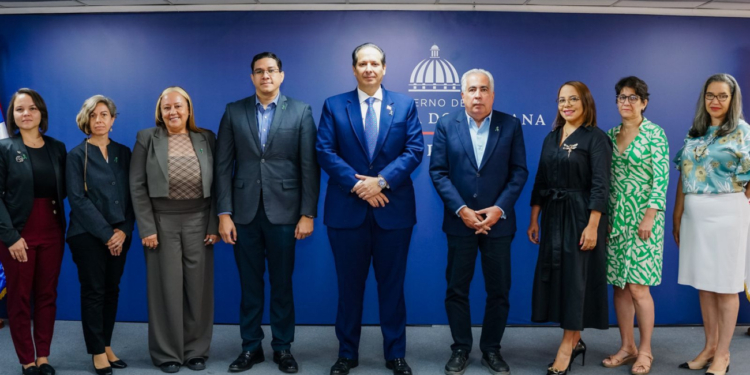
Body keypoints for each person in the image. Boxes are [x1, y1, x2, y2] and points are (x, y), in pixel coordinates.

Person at [316, 43, 424, 375]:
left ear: (384, 68)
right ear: (353, 69)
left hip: (393, 211)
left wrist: (382, 181)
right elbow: (324, 150)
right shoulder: (334, 106)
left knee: (392, 287)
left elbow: (414, 149)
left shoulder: (404, 105)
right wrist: (360, 185)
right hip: (347, 212)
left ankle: (396, 355)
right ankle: (347, 353)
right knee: (349, 288)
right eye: (362, 64)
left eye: (375, 63)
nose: (368, 69)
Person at [215, 52, 320, 374]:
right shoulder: (234, 111)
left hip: (286, 214)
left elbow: (309, 166)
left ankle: (283, 348)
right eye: (259, 71)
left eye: (271, 71)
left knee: (282, 284)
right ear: (252, 77)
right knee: (249, 285)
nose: (265, 76)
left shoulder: (301, 111)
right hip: (243, 213)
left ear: (281, 75)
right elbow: (222, 166)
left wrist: (308, 213)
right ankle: (250, 348)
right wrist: (224, 213)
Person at [429, 69, 527, 375]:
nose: (478, 95)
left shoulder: (510, 125)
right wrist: (462, 209)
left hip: (498, 224)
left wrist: (498, 209)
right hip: (461, 223)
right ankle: (460, 348)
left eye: (484, 89)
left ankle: (491, 350)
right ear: (462, 95)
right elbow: (439, 172)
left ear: (492, 95)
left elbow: (519, 172)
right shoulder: (446, 124)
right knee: (457, 289)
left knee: (499, 290)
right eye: (472, 90)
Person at [130, 86, 220, 373]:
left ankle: (195, 350)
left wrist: (213, 223)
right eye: (166, 107)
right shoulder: (147, 138)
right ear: (160, 111)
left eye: (178, 106)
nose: (173, 112)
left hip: (199, 221)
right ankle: (167, 352)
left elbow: (219, 184)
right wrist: (146, 228)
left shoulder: (206, 137)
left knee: (198, 289)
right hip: (160, 222)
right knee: (165, 289)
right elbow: (137, 185)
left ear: (189, 109)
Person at [527, 81, 612, 375]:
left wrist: (592, 225)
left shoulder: (596, 138)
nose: (567, 105)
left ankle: (567, 346)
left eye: (573, 99)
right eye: (562, 99)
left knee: (577, 282)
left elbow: (601, 185)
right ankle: (575, 342)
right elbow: (540, 180)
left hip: (582, 217)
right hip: (553, 216)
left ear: (585, 102)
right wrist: (534, 217)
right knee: (562, 281)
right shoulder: (551, 138)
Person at [672, 73, 750, 375]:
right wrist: (678, 214)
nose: (715, 101)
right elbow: (684, 175)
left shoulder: (743, 132)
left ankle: (723, 354)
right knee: (705, 284)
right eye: (710, 95)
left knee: (727, 285)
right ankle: (709, 347)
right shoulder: (696, 133)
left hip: (728, 213)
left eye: (722, 96)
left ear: (733, 100)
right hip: (695, 214)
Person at [601, 77, 668, 375]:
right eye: (620, 97)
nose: (625, 103)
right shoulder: (610, 134)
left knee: (639, 287)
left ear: (644, 102)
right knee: (619, 286)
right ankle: (627, 346)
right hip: (616, 220)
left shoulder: (655, 134)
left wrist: (650, 215)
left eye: (632, 97)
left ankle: (645, 351)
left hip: (644, 221)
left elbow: (661, 178)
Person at [0, 88, 67, 375]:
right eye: (19, 109)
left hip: (52, 230)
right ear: (12, 116)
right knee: (19, 297)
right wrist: (10, 235)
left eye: (31, 108)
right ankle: (27, 360)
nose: (25, 114)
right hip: (17, 234)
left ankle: (44, 358)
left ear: (41, 113)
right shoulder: (3, 149)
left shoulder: (57, 148)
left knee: (46, 295)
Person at [66, 95, 134, 375]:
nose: (99, 120)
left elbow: (133, 195)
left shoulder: (124, 152)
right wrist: (108, 235)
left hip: (121, 233)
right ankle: (96, 351)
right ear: (86, 120)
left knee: (111, 290)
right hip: (87, 235)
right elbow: (78, 200)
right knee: (94, 292)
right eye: (93, 115)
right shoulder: (76, 155)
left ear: (113, 119)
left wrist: (124, 230)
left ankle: (106, 345)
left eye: (104, 114)